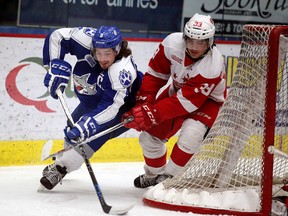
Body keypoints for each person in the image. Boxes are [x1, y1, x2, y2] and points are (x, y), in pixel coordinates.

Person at [122, 13, 227, 188]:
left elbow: (186, 102)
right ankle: (154, 176)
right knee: (148, 138)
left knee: (191, 136)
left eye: (200, 42)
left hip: (207, 103)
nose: (194, 47)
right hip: (178, 93)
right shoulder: (171, 43)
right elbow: (155, 74)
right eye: (190, 40)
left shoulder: (213, 65)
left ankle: (169, 179)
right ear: (184, 37)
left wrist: (153, 113)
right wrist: (144, 102)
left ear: (209, 42)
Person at [40, 26, 142, 190]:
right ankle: (63, 160)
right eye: (98, 53)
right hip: (91, 101)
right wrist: (55, 64)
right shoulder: (86, 40)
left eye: (107, 53)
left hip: (121, 107)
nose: (102, 58)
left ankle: (61, 168)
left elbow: (110, 107)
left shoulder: (122, 71)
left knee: (87, 139)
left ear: (117, 49)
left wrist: (87, 125)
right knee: (71, 128)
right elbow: (57, 36)